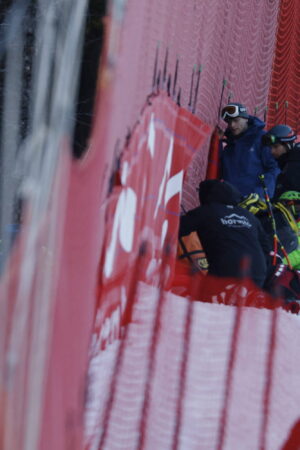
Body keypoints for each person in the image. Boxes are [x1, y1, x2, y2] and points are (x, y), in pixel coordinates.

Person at [179, 179, 271, 287]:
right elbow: (266, 247)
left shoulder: (206, 211)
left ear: (206, 194)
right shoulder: (250, 216)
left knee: (205, 299)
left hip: (225, 269)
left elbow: (176, 228)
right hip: (257, 271)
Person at [220, 102, 280, 198]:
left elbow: (274, 169)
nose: (232, 125)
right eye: (229, 122)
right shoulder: (229, 144)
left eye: (236, 120)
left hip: (255, 202)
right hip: (232, 201)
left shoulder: (261, 138)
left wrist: (260, 195)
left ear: (246, 118)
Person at [261, 124, 300, 198]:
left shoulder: (294, 168)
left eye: (276, 147)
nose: (272, 151)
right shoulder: (285, 165)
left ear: (287, 144)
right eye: (271, 147)